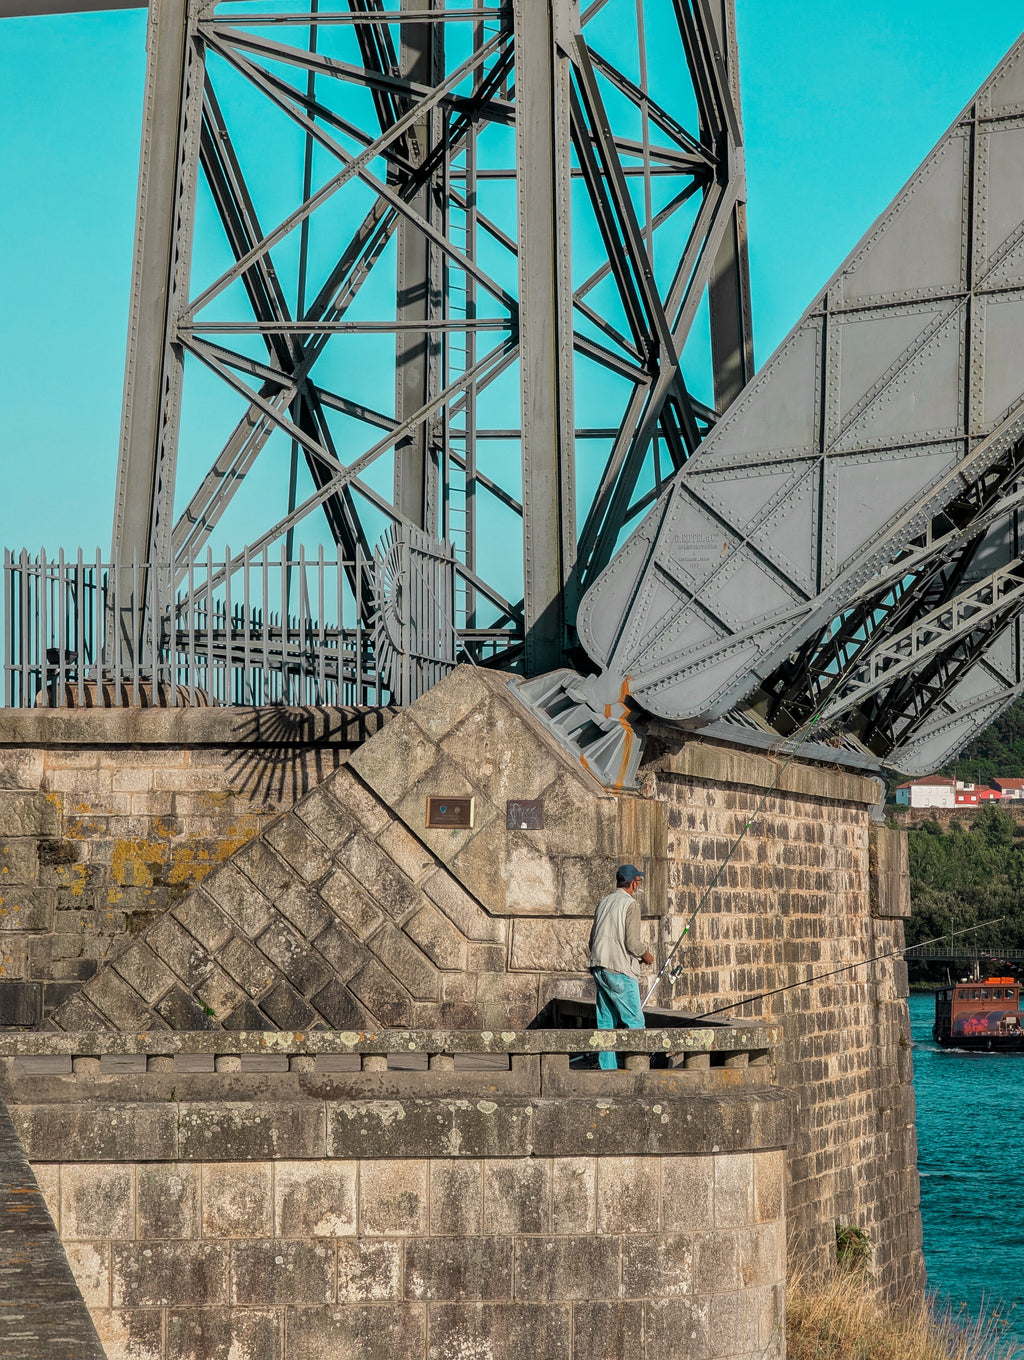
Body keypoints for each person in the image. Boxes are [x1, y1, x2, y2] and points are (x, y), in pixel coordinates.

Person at [588, 864, 654, 1070]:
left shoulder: (604, 902)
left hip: (599, 966)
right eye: (638, 881)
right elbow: (632, 943)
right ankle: (638, 1069)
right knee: (634, 1021)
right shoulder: (630, 904)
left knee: (606, 1022)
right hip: (619, 970)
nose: (639, 885)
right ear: (633, 883)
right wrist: (646, 955)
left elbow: (593, 939)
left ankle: (607, 1069)